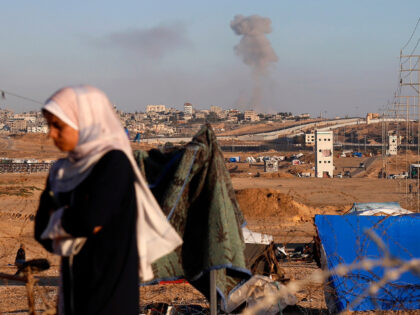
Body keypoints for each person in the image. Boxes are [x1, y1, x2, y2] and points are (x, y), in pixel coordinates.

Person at [34, 86, 182, 315]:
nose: (50, 134)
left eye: (58, 126)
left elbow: (88, 219)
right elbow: (42, 232)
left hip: (109, 293)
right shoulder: (61, 172)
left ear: (85, 123)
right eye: (49, 125)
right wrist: (72, 220)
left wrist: (60, 218)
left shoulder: (113, 163)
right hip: (73, 292)